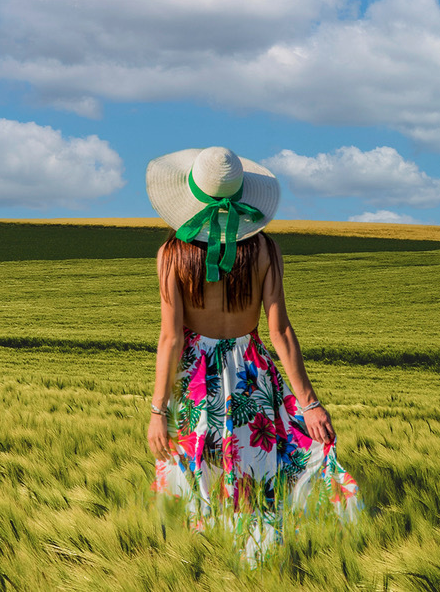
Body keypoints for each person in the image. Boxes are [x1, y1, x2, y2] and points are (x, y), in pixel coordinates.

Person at [146, 146, 360, 559]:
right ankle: (260, 561)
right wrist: (310, 404)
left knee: (200, 479)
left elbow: (170, 339)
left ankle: (206, 564)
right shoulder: (265, 250)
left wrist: (158, 412)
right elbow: (279, 331)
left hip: (196, 383)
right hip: (251, 377)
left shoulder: (172, 254)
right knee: (258, 476)